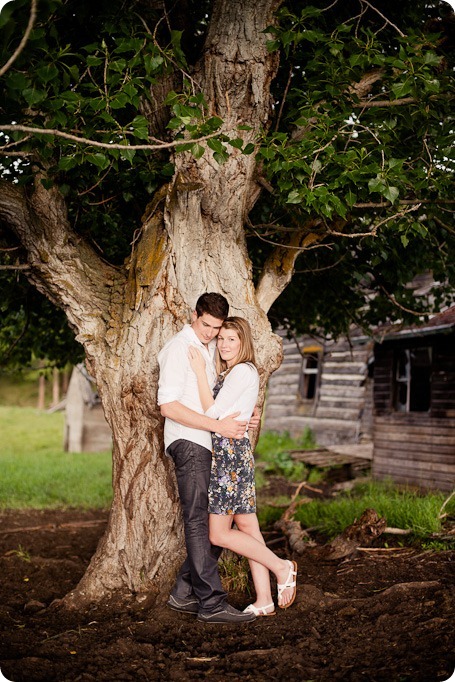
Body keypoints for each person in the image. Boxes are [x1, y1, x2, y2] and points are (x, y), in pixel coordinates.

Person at [157, 293, 259, 624]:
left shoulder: (207, 348)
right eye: (205, 325)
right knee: (201, 520)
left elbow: (216, 398)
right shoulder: (178, 348)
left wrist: (246, 415)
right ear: (194, 314)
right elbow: (168, 406)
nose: (210, 333)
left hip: (210, 444)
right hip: (189, 442)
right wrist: (217, 426)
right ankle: (211, 604)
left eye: (216, 328)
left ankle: (184, 591)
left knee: (217, 521)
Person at [188, 316, 297, 617]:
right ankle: (264, 600)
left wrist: (198, 372)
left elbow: (214, 411)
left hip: (229, 460)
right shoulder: (237, 373)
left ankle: (282, 567)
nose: (223, 344)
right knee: (249, 529)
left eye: (231, 339)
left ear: (243, 342)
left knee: (218, 534)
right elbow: (236, 410)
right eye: (220, 338)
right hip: (235, 454)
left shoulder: (241, 371)